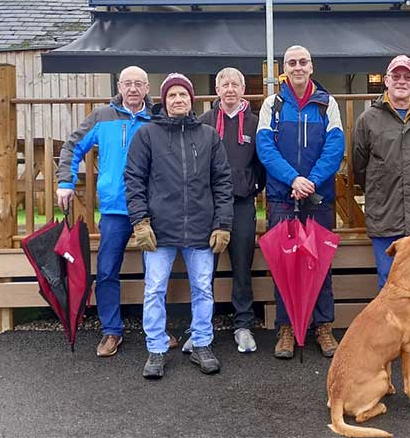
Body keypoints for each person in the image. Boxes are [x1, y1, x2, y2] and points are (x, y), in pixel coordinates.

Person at [125, 73, 233, 379]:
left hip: (201, 227)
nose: (177, 100)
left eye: (182, 95)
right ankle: (156, 349)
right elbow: (133, 179)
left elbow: (222, 181)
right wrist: (140, 221)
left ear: (191, 100)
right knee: (154, 289)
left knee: (202, 288)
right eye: (171, 95)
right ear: (164, 101)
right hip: (159, 229)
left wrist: (222, 223)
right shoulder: (147, 134)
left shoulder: (209, 136)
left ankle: (201, 343)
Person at [57, 65, 158, 358]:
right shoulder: (102, 117)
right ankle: (111, 331)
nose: (133, 88)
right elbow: (73, 146)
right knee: (107, 271)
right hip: (115, 209)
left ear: (147, 87)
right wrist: (65, 181)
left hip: (151, 210)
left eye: (139, 83)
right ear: (119, 86)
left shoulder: (157, 118)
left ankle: (158, 328)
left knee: (157, 271)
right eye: (127, 83)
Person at [353, 55, 410, 363]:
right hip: (387, 212)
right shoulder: (368, 120)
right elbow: (359, 164)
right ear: (387, 80)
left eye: (408, 76)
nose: (402, 81)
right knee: (387, 282)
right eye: (396, 76)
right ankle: (391, 340)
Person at [256, 45, 345, 359]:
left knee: (320, 263)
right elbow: (265, 149)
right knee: (285, 266)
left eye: (303, 61)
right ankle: (287, 327)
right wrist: (293, 179)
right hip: (283, 197)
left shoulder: (327, 104)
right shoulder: (273, 104)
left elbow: (335, 148)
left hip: (318, 197)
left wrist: (310, 182)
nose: (297, 67)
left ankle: (323, 325)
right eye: (291, 62)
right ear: (284, 68)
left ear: (312, 66)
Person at [180, 67, 265, 355]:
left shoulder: (254, 123)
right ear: (217, 90)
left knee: (242, 266)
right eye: (224, 84)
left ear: (243, 89)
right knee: (205, 271)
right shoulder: (202, 123)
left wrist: (252, 186)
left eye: (235, 84)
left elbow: (261, 164)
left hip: (241, 205)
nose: (230, 89)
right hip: (208, 208)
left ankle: (243, 325)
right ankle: (201, 327)